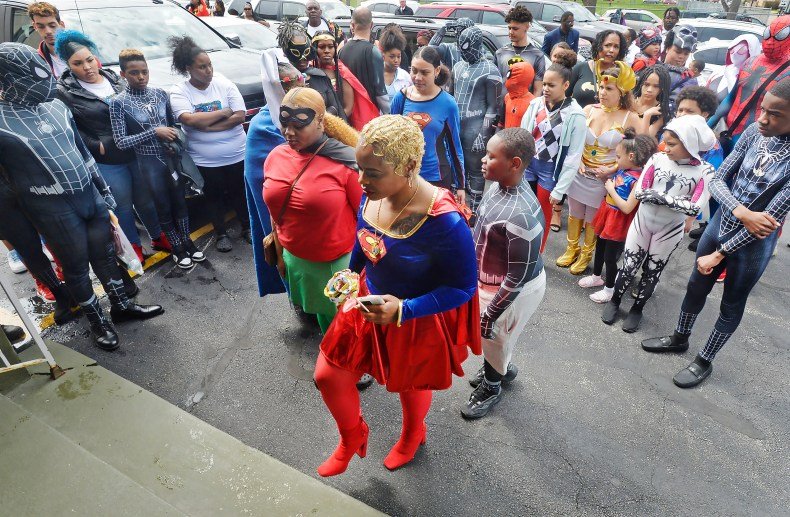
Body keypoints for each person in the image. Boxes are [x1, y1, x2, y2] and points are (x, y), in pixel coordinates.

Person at [313, 115, 480, 476]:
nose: (361, 181)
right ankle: (351, 436)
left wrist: (405, 309)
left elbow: (464, 287)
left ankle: (412, 434)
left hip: (414, 317)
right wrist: (350, 272)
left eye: (372, 173)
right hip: (366, 301)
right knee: (328, 374)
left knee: (410, 384)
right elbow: (364, 238)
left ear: (407, 166)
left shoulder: (445, 221)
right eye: (360, 169)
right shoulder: (373, 192)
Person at [0, 43, 163, 351]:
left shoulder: (57, 107)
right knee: (75, 265)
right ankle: (97, 321)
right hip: (49, 207)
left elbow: (82, 153)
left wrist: (103, 190)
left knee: (103, 254)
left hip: (89, 196)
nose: (44, 79)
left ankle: (122, 305)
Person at [641, 80, 790, 388]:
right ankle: (679, 338)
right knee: (696, 286)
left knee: (731, 303)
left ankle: (704, 359)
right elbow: (717, 179)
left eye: (774, 114)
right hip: (721, 223)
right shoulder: (752, 133)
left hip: (752, 247)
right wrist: (741, 212)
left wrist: (720, 254)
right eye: (762, 109)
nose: (762, 118)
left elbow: (769, 222)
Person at [54, 30, 164, 263]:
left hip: (136, 150)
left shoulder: (116, 78)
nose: (87, 67)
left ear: (96, 57)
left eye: (89, 59)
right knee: (122, 205)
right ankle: (133, 246)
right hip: (109, 160)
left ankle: (158, 236)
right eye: (78, 63)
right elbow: (68, 127)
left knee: (145, 199)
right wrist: (97, 145)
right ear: (68, 64)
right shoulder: (64, 91)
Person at [602, 115, 716, 333]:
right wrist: (674, 201)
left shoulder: (705, 171)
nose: (666, 147)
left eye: (672, 144)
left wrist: (658, 196)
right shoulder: (657, 159)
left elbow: (695, 208)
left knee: (653, 270)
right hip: (643, 222)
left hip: (669, 230)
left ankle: (637, 309)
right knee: (628, 266)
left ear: (689, 144)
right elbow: (642, 191)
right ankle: (615, 301)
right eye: (665, 142)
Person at [462, 128, 545, 419]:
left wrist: (490, 313)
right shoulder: (499, 186)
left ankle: (492, 386)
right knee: (498, 340)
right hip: (489, 283)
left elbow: (517, 277)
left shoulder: (519, 212)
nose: (483, 160)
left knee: (494, 336)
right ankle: (498, 367)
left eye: (491, 156)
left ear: (515, 164)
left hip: (507, 291)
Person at [262, 88, 361, 332]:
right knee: (321, 322)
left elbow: (368, 221)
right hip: (294, 260)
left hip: (337, 268)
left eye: (298, 125)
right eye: (285, 124)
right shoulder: (276, 155)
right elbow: (274, 211)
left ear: (320, 121)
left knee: (344, 330)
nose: (289, 132)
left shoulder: (347, 164)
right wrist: (280, 250)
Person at [110, 49, 204, 270]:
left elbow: (174, 125)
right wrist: (154, 132)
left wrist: (175, 139)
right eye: (134, 73)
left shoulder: (161, 94)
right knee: (162, 206)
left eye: (144, 72)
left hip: (171, 159)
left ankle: (187, 242)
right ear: (123, 74)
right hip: (148, 163)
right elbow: (121, 141)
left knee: (180, 202)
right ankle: (176, 248)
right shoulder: (118, 103)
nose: (141, 77)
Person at [169, 36, 250, 253]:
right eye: (202, 67)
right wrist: (223, 113)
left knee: (239, 193)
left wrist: (207, 125)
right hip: (205, 159)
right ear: (188, 68)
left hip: (236, 154)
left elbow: (240, 115)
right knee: (212, 197)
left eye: (210, 65)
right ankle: (221, 233)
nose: (208, 70)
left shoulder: (224, 84)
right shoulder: (180, 91)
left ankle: (247, 227)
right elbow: (189, 120)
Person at [560, 62, 636, 275]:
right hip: (580, 172)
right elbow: (575, 141)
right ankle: (571, 249)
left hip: (604, 179)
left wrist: (612, 170)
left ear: (621, 92)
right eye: (601, 88)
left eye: (609, 88)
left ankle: (586, 255)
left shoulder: (630, 118)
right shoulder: (587, 110)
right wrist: (579, 162)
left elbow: (637, 154)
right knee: (574, 213)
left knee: (592, 219)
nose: (602, 92)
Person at [578, 130, 657, 303]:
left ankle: (609, 288)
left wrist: (610, 188)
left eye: (618, 157)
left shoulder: (638, 180)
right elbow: (611, 183)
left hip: (618, 220)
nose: (616, 160)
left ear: (631, 156)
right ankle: (596, 275)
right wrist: (603, 178)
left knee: (610, 256)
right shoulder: (623, 169)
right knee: (599, 248)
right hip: (607, 213)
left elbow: (628, 208)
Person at [246, 59, 303, 298]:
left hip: (299, 191)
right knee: (283, 247)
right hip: (275, 198)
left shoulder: (299, 116)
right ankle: (297, 296)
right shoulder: (265, 125)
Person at [520, 63, 586, 252]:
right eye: (545, 84)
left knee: (543, 215)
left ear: (565, 85)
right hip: (528, 164)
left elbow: (574, 155)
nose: (545, 89)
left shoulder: (575, 114)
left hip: (550, 170)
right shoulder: (536, 104)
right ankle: (521, 248)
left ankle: (537, 254)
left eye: (551, 85)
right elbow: (524, 134)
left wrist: (560, 189)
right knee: (524, 210)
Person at [390, 46, 466, 205]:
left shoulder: (448, 103)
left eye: (425, 73)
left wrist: (461, 186)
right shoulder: (401, 98)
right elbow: (391, 139)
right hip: (405, 176)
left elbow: (455, 147)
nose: (417, 77)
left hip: (436, 178)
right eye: (414, 70)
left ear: (437, 71)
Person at [710, 16, 790, 148]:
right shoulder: (751, 61)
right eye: (768, 34)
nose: (770, 41)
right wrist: (709, 123)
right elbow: (732, 96)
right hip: (727, 129)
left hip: (758, 137)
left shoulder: (787, 71)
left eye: (780, 36)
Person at [451, 26, 503, 214]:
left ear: (476, 44)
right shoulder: (457, 66)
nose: (463, 51)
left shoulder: (491, 70)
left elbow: (493, 106)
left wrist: (484, 132)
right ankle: (457, 205)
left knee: (475, 169)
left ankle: (475, 208)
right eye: (461, 47)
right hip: (456, 127)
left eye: (466, 47)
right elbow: (451, 97)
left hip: (475, 128)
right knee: (457, 167)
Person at [673, 87, 725, 251]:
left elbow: (707, 185)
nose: (682, 114)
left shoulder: (711, 146)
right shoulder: (671, 135)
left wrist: (690, 217)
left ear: (705, 114)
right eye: (680, 109)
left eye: (689, 111)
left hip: (686, 201)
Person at [312, 30, 379, 130]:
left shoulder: (342, 72)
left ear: (335, 48)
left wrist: (331, 125)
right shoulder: (308, 73)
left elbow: (348, 108)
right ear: (314, 49)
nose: (327, 50)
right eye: (322, 47)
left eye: (330, 47)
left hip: (339, 128)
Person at [279, 23, 345, 121]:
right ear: (285, 53)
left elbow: (334, 106)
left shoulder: (319, 76)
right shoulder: (280, 80)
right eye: (296, 53)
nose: (302, 59)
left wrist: (319, 118)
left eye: (305, 52)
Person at [339, 7, 390, 115]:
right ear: (371, 25)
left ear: (352, 25)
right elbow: (380, 90)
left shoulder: (342, 50)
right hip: (368, 115)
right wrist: (389, 114)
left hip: (348, 114)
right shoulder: (373, 51)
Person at [568, 30, 627, 108]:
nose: (611, 50)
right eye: (607, 45)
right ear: (598, 46)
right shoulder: (580, 68)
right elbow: (564, 98)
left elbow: (627, 104)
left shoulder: (623, 74)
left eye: (616, 47)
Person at [496, 6, 544, 96]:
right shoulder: (500, 53)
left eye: (515, 28)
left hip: (525, 107)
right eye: (509, 28)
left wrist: (533, 109)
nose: (511, 32)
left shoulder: (537, 55)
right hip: (502, 107)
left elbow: (538, 89)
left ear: (527, 27)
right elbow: (494, 84)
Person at [705, 35, 761, 102]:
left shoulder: (753, 79)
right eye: (732, 50)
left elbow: (739, 100)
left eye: (741, 50)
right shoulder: (720, 71)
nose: (734, 54)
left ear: (751, 52)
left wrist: (730, 77)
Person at [660, 24, 699, 111]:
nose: (681, 56)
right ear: (667, 48)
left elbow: (676, 107)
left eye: (686, 54)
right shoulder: (652, 67)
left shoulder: (688, 79)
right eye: (677, 51)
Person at [27, 2, 67, 78]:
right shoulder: (36, 61)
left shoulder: (84, 53)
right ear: (35, 27)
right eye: (41, 27)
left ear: (61, 25)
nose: (48, 31)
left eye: (52, 26)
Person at [632, 64, 672, 138]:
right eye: (646, 84)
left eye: (656, 86)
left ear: (662, 88)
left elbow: (645, 140)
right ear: (640, 84)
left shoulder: (660, 111)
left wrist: (647, 116)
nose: (649, 90)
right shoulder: (628, 101)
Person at [380, 26, 412, 102]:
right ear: (383, 55)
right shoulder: (374, 75)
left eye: (399, 56)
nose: (396, 60)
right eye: (392, 56)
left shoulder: (406, 77)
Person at [501, 60, 534, 129]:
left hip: (522, 138)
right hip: (505, 137)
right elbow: (501, 123)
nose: (508, 80)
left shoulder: (533, 103)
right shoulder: (507, 97)